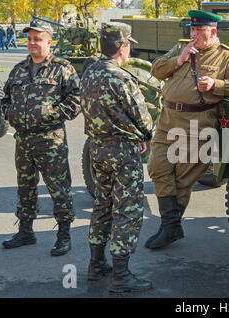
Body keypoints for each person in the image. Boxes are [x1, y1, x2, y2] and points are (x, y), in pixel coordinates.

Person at [146, 10, 229, 250]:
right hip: (168, 120)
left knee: (183, 179)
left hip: (197, 124)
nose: (193, 34)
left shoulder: (227, 57)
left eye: (199, 31)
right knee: (157, 167)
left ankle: (168, 226)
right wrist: (179, 59)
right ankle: (170, 226)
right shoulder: (181, 48)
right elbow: (156, 70)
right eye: (192, 30)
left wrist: (217, 84)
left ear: (213, 32)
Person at [80, 22, 153, 293]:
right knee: (127, 211)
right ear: (122, 48)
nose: (130, 48)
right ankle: (121, 275)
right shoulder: (121, 78)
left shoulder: (89, 73)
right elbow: (144, 119)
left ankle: (96, 264)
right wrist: (141, 135)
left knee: (102, 205)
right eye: (129, 44)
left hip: (98, 148)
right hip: (122, 152)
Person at [1, 21, 80, 256]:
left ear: (49, 42)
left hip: (50, 141)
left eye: (37, 39)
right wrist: (10, 113)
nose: (32, 43)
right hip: (23, 141)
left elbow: (76, 100)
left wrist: (52, 115)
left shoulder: (62, 68)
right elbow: (5, 99)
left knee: (59, 188)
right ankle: (26, 231)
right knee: (25, 187)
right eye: (30, 39)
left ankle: (64, 235)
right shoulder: (18, 69)